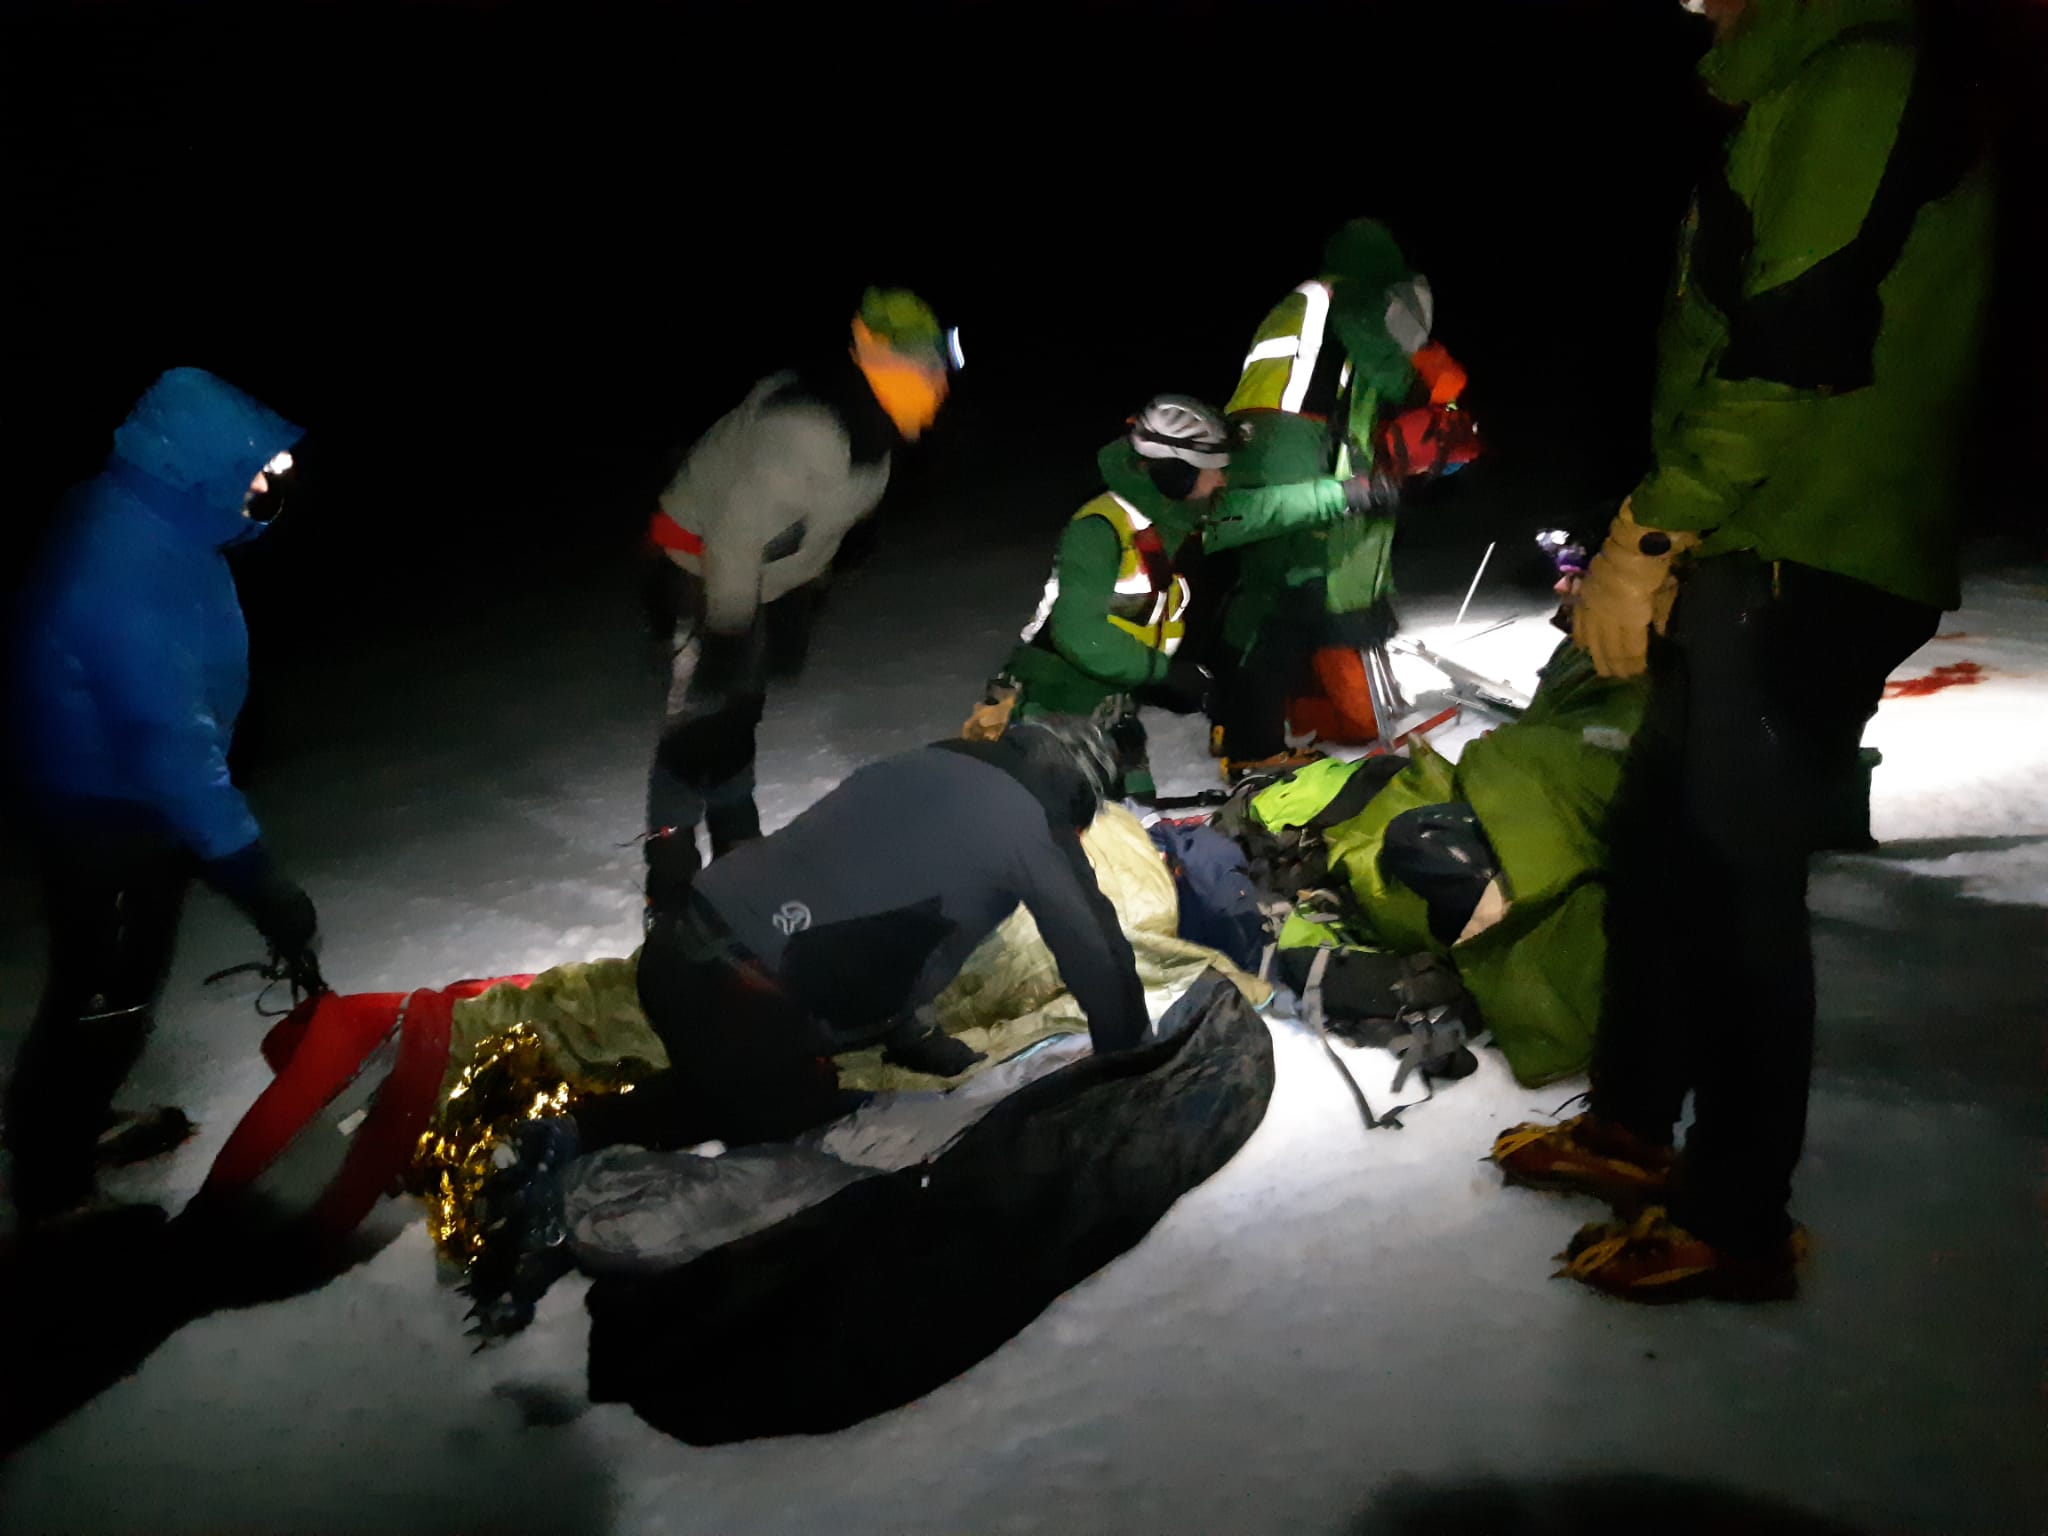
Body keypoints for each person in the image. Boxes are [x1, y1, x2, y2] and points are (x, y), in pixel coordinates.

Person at [1492, 0, 1994, 1301]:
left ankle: (1739, 1216)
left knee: (1735, 874)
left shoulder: (1863, 69)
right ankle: (1633, 1125)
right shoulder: (1783, 80)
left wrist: (1650, 535)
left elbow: (1804, 330)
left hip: (1807, 542)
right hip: (1745, 536)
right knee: (1663, 840)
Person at [5, 368, 320, 1226]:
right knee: (109, 991)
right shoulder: (123, 574)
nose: (267, 486)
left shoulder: (146, 516)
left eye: (276, 470)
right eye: (255, 471)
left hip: (110, 790)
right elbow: (170, 749)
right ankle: (52, 1184)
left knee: (101, 980)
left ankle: (62, 1120)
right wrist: (265, 885)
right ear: (194, 465)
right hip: (106, 809)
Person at [576, 716, 1150, 1154]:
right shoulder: (1032, 823)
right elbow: (1095, 953)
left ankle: (572, 1132)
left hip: (672, 956)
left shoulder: (920, 763)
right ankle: (575, 1141)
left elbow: (872, 894)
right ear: (1075, 796)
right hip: (741, 1004)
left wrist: (909, 1033)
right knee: (828, 1139)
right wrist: (1137, 1071)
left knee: (729, 1075)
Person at [643, 287, 956, 908]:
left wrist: (807, 591)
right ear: (883, 366)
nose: (939, 388)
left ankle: (738, 847)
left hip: (767, 579)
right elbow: (732, 541)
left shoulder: (875, 432)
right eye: (927, 372)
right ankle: (670, 872)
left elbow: (827, 526)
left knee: (738, 717)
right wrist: (727, 638)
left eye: (941, 372)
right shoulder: (808, 429)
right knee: (698, 727)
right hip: (697, 573)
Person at [1204, 217, 1478, 773]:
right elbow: (1396, 372)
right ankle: (1252, 749)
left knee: (1277, 589)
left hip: (1273, 438)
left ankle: (1238, 720)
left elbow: (1357, 389)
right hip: (1288, 442)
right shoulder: (1350, 297)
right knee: (1288, 595)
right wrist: (1441, 386)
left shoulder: (1312, 302)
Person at [990, 396, 1233, 800]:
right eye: (1212, 471)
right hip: (1055, 696)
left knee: (1136, 805)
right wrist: (1164, 673)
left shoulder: (1175, 520)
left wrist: (1342, 495)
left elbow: (1261, 512)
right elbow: (1079, 634)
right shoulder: (1100, 527)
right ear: (1177, 474)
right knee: (1058, 812)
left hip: (1113, 697)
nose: (1222, 480)